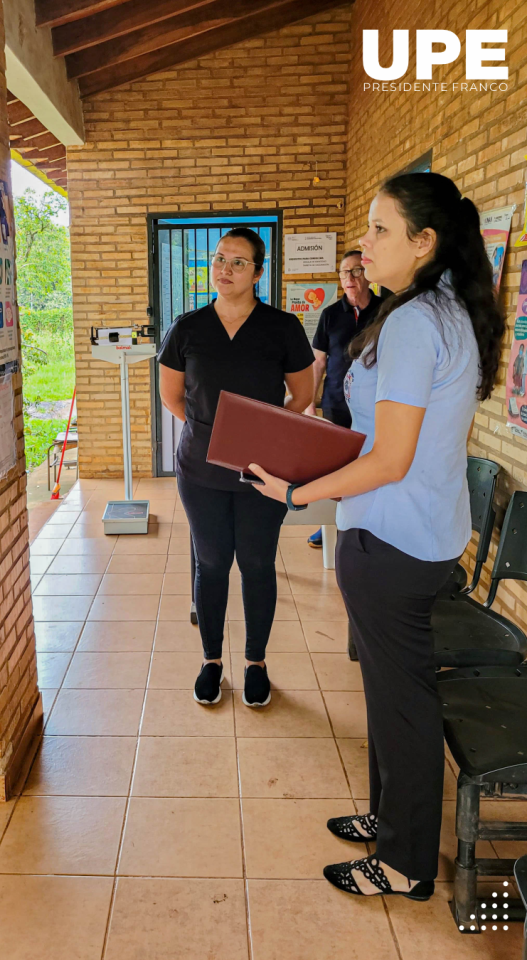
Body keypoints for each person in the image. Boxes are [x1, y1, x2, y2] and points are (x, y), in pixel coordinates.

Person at [249, 172, 504, 901]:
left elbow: (389, 459)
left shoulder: (419, 322)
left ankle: (405, 863)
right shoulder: (437, 309)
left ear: (425, 242)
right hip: (417, 532)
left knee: (402, 703)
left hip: (393, 542)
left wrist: (299, 491)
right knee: (392, 693)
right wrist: (316, 442)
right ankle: (390, 817)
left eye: (381, 229)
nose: (365, 243)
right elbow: (390, 440)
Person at [158, 228, 314, 708]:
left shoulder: (282, 326)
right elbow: (172, 397)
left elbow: (303, 395)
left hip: (262, 474)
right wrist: (217, 436)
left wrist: (260, 436)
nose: (224, 269)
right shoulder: (188, 327)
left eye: (238, 262)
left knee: (257, 562)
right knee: (211, 561)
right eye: (219, 258)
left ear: (259, 272)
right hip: (201, 469)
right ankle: (211, 660)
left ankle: (255, 662)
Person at [305, 251, 384, 548]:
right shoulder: (330, 314)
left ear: (368, 274)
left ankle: (366, 524)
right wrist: (310, 401)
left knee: (369, 464)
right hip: (337, 403)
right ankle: (331, 524)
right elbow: (318, 362)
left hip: (377, 407)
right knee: (337, 467)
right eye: (343, 273)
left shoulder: (386, 310)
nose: (349, 279)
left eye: (356, 271)